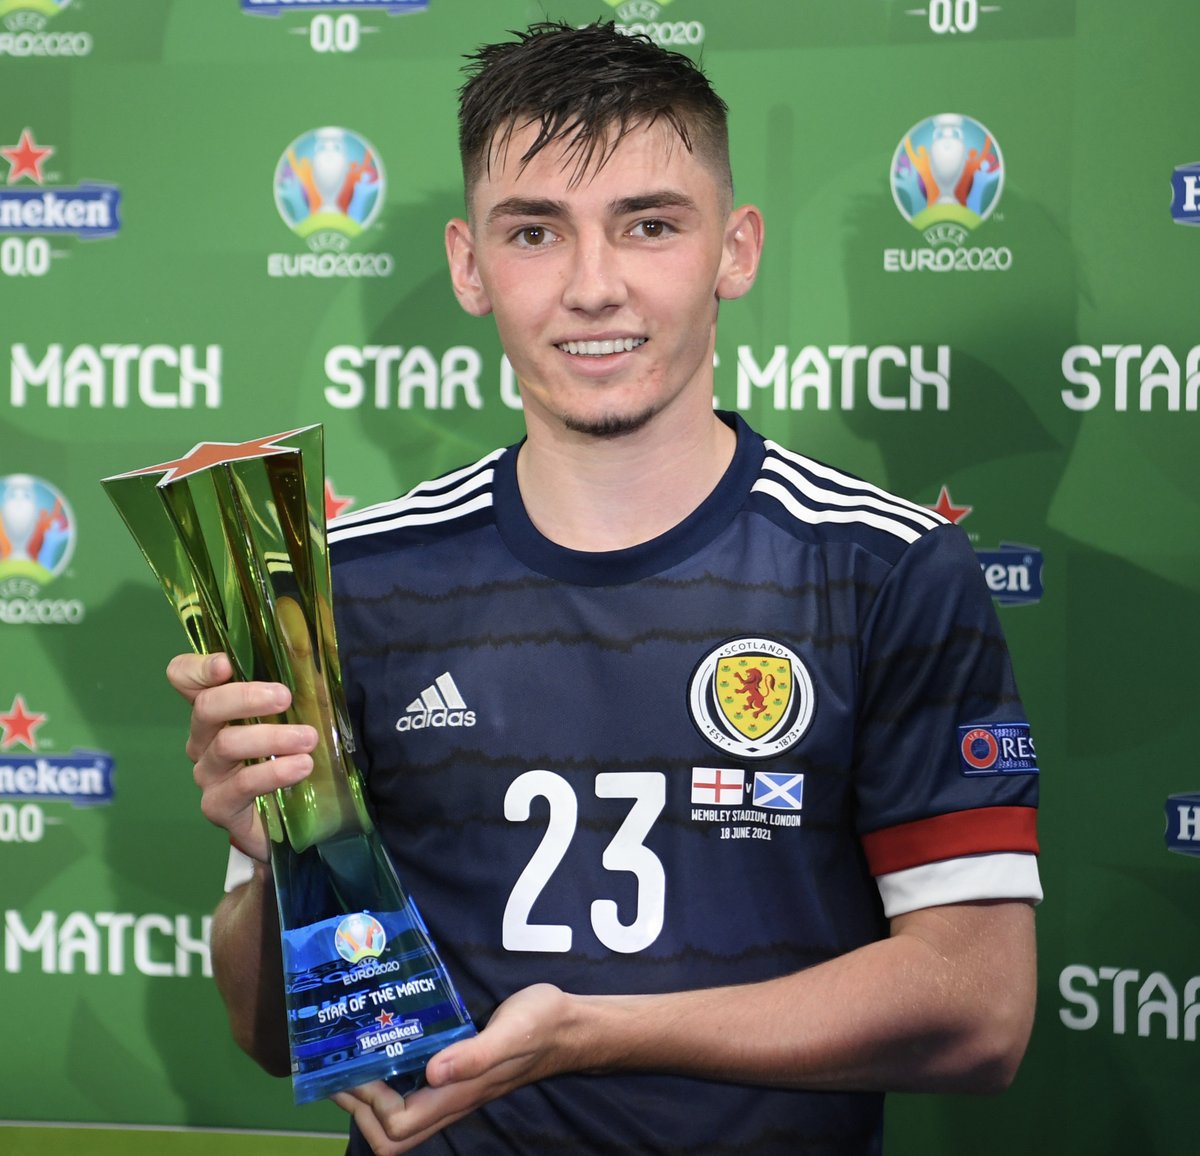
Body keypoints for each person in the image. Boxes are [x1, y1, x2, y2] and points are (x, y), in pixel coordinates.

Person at [169, 21, 1041, 1156]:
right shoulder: (347, 583)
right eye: (536, 231)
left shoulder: (885, 568)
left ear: (735, 250)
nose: (593, 286)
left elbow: (981, 1013)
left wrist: (596, 1033)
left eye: (650, 225)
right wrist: (263, 859)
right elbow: (274, 1031)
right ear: (470, 266)